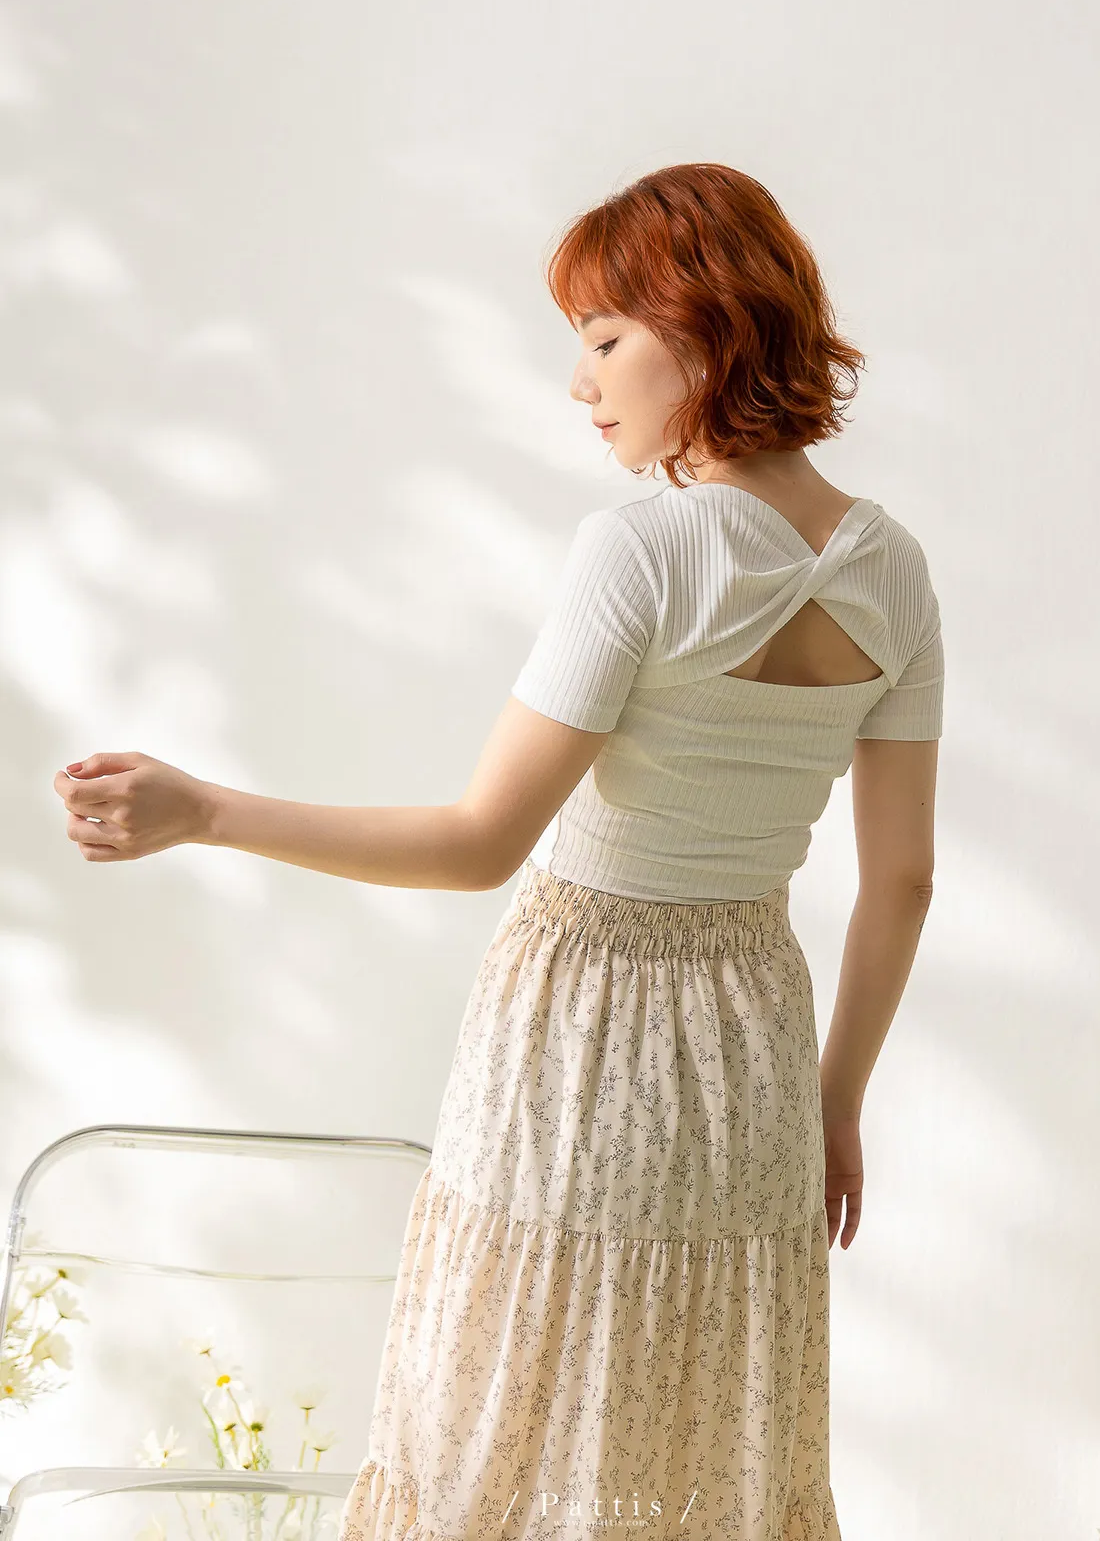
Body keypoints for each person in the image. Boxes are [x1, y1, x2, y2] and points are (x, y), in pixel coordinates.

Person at [52, 162, 943, 1541]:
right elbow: (903, 884)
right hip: (756, 1043)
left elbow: (481, 844)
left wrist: (206, 811)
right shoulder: (894, 569)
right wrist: (834, 1108)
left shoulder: (643, 551)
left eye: (604, 339)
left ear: (703, 327)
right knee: (707, 1439)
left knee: (506, 1420)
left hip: (579, 1030)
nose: (581, 385)